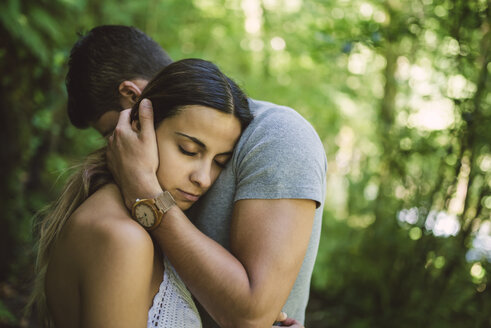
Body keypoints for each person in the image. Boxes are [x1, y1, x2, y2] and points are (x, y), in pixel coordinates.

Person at [105, 31, 327, 327]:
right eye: (112, 136)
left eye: (221, 161)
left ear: (134, 101)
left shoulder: (277, 137)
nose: (120, 147)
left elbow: (250, 315)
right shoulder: (111, 229)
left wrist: (147, 197)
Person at [32, 58, 255, 327]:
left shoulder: (149, 228)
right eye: (188, 150)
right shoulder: (122, 238)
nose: (204, 178)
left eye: (220, 161)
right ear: (138, 126)